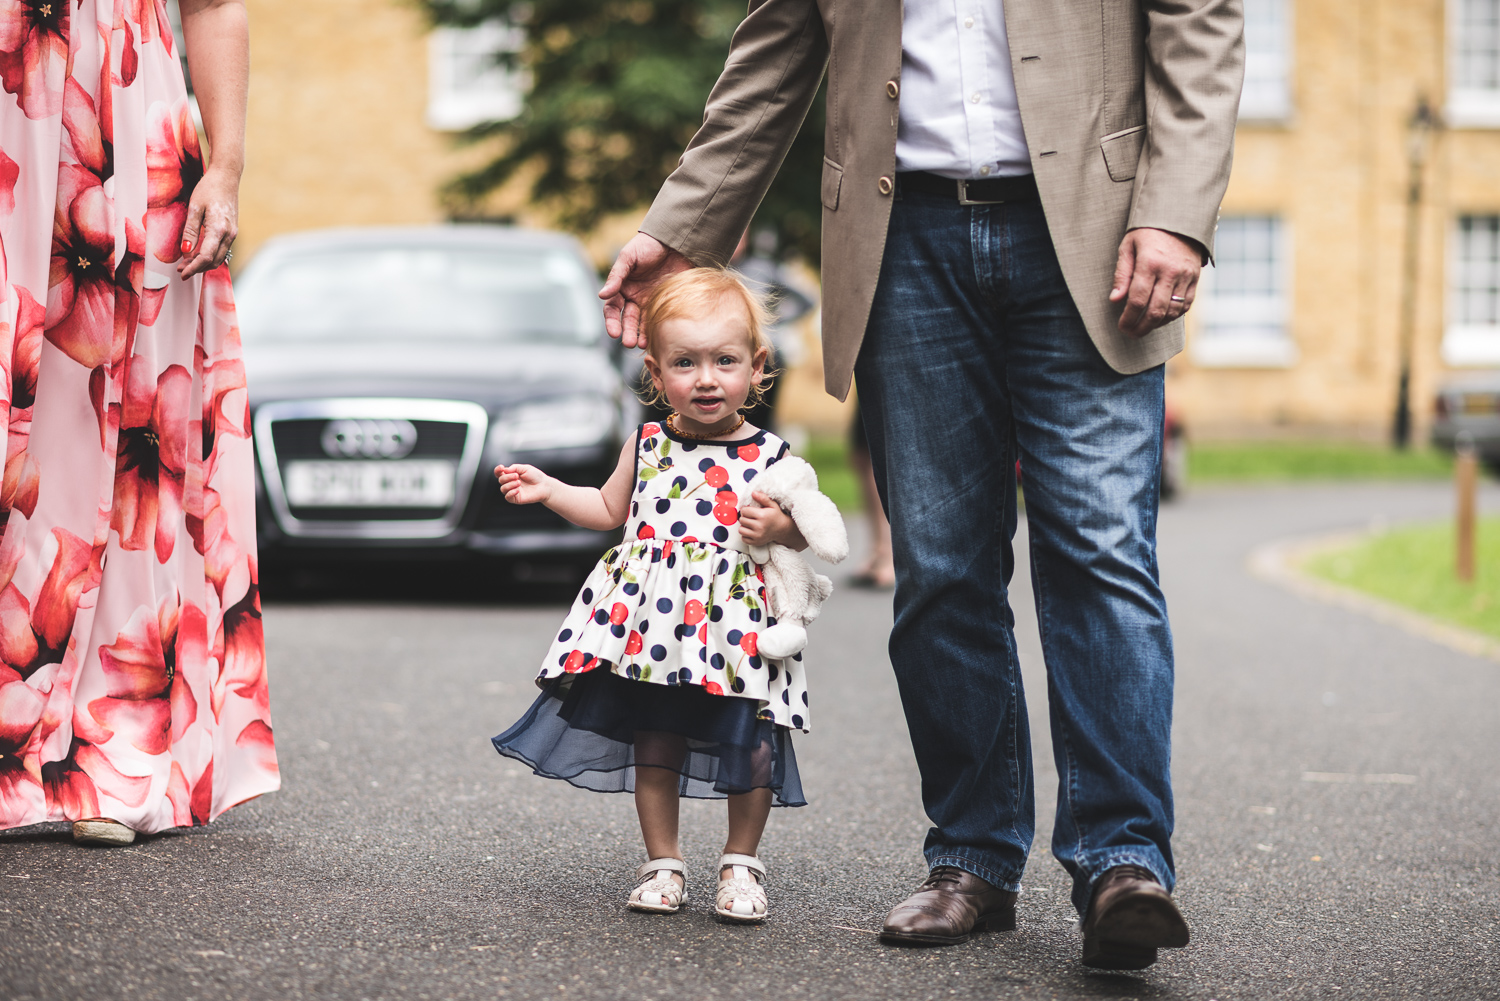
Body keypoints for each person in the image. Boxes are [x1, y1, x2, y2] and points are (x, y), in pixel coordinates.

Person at [598, 0, 1243, 970]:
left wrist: (1177, 210)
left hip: (1100, 225)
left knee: (1099, 548)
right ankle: (974, 858)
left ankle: (1122, 860)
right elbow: (775, 46)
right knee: (940, 567)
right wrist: (684, 224)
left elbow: (1200, 18)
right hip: (903, 239)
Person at [0, 0, 276, 844]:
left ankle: (111, 754)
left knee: (130, 437)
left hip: (125, 130)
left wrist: (224, 169)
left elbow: (215, 3)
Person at [492, 269, 827, 922]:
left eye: (725, 361)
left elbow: (813, 532)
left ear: (757, 367)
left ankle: (740, 865)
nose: (706, 378)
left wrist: (780, 525)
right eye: (685, 362)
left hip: (737, 631)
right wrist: (550, 488)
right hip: (653, 632)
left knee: (750, 744)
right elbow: (606, 508)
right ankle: (664, 861)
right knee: (657, 740)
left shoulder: (772, 454)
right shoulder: (647, 444)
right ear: (655, 370)